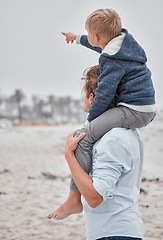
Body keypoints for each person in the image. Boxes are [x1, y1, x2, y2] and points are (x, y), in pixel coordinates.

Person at [48, 65, 144, 240]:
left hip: (114, 234)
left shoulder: (113, 139)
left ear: (91, 98)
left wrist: (69, 155)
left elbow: (95, 198)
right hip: (115, 231)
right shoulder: (122, 133)